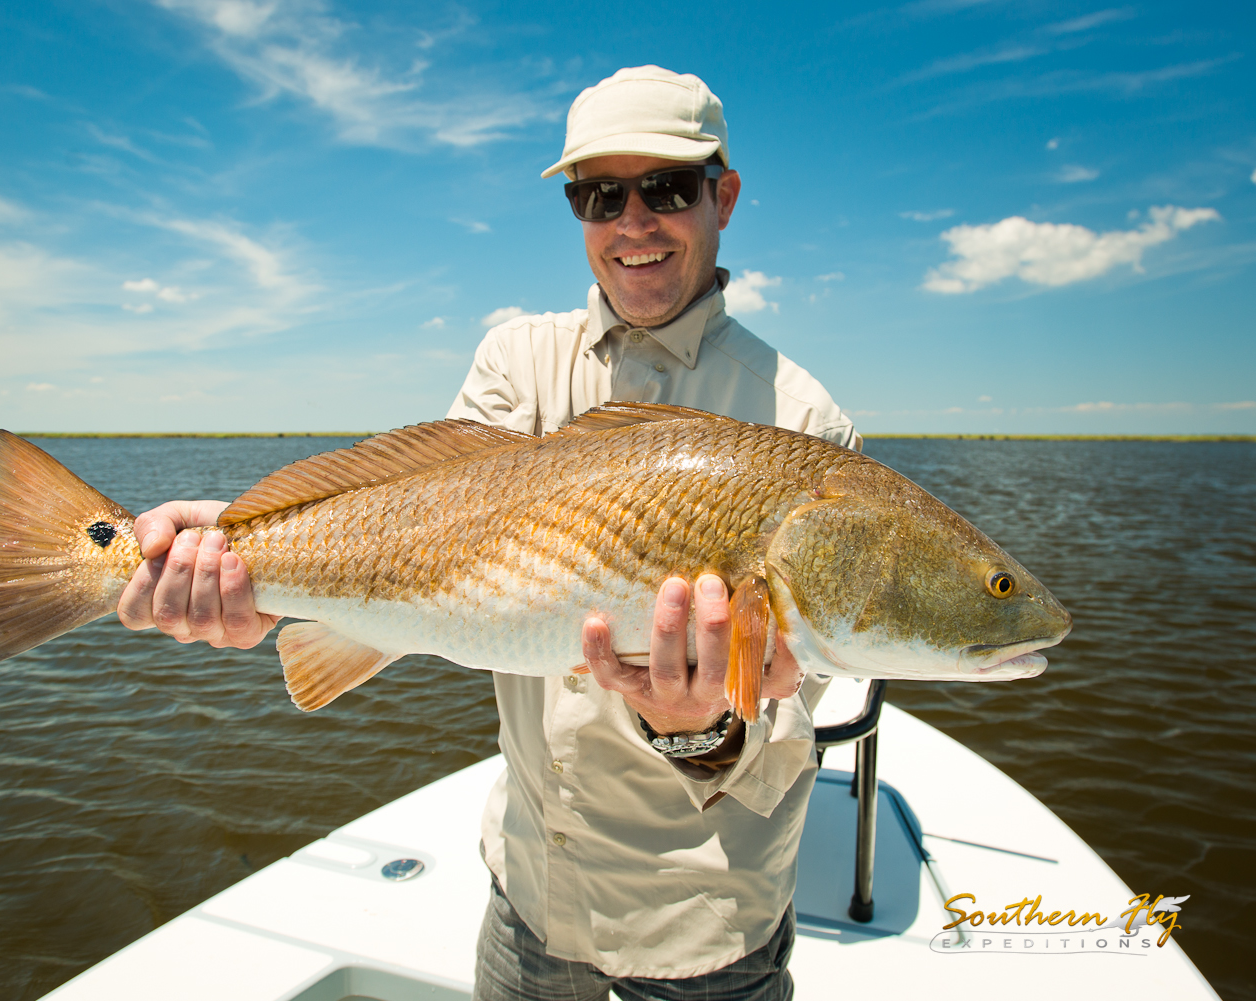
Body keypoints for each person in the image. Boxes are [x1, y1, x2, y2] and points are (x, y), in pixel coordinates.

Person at [118, 66, 857, 1001]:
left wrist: (698, 732)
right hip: (528, 906)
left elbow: (790, 721)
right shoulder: (517, 360)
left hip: (702, 934)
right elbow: (429, 527)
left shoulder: (804, 424)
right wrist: (240, 547)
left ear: (725, 196)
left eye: (665, 189)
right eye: (598, 196)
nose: (633, 221)